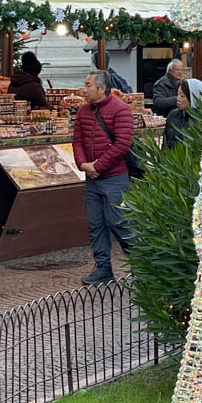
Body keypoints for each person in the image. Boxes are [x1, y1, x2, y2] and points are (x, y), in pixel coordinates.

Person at [72, 69, 134, 285]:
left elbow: (122, 144)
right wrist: (83, 165)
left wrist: (97, 166)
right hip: (92, 179)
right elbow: (77, 140)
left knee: (119, 222)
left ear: (102, 88)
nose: (84, 89)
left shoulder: (121, 110)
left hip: (115, 178)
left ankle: (141, 263)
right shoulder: (83, 111)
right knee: (95, 224)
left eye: (88, 85)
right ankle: (102, 268)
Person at [163, 78, 202, 150]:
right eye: (178, 94)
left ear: (193, 98)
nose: (178, 99)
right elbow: (165, 145)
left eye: (182, 96)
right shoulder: (172, 115)